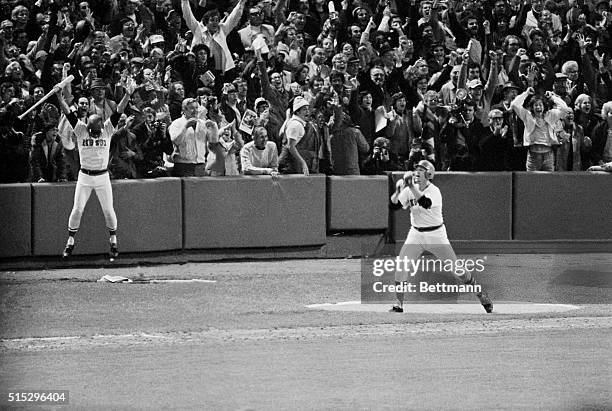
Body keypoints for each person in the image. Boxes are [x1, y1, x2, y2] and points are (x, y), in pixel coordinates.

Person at [389, 160, 493, 313]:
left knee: (458, 272)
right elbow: (394, 206)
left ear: (429, 174)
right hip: (416, 234)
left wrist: (410, 186)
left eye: (421, 170)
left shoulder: (434, 191)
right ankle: (399, 304)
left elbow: (425, 202)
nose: (416, 172)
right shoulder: (411, 189)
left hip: (436, 235)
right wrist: (398, 191)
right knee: (402, 267)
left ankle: (481, 294)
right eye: (416, 169)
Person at [55, 78, 134, 259]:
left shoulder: (107, 129)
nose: (95, 133)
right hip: (85, 176)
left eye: (96, 131)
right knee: (77, 209)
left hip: (102, 176)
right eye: (93, 130)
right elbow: (68, 113)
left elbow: (118, 110)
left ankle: (113, 241)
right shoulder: (82, 129)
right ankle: (70, 241)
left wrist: (128, 95)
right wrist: (59, 96)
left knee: (108, 209)